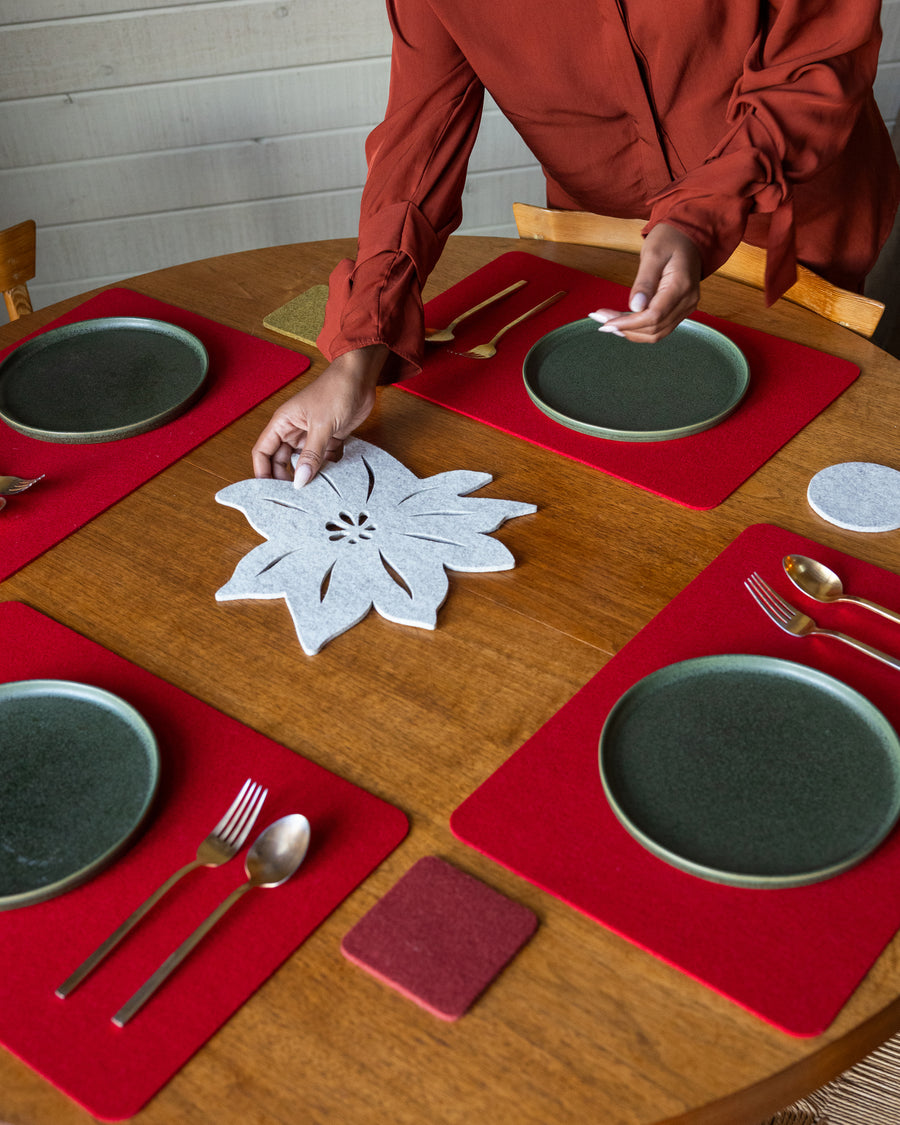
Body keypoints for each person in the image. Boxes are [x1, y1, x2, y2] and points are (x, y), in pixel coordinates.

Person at [253, 0, 900, 486]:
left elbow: (817, 59)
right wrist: (362, 347)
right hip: (603, 250)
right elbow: (417, 146)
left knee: (802, 465)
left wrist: (696, 217)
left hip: (794, 213)